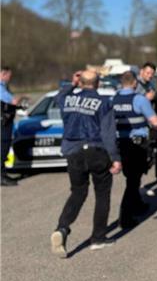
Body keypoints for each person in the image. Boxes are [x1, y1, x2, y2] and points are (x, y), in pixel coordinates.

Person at [51, 70, 122, 256]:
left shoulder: (67, 100)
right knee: (102, 194)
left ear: (81, 82)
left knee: (78, 192)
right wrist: (115, 158)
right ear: (98, 83)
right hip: (96, 151)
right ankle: (98, 238)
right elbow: (108, 133)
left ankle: (62, 228)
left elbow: (58, 96)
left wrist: (72, 84)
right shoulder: (104, 102)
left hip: (73, 152)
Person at [113, 72, 157, 229]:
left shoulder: (113, 99)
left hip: (120, 144)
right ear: (134, 83)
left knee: (132, 177)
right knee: (133, 180)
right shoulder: (139, 99)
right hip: (136, 145)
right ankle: (125, 217)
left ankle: (138, 205)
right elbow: (154, 121)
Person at [1, 66, 26, 186]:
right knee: (3, 148)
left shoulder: (4, 87)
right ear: (3, 74)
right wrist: (22, 96)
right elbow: (13, 101)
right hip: (2, 123)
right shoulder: (1, 88)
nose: (9, 78)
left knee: (4, 148)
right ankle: (1, 177)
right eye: (9, 76)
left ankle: (3, 173)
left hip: (5, 122)